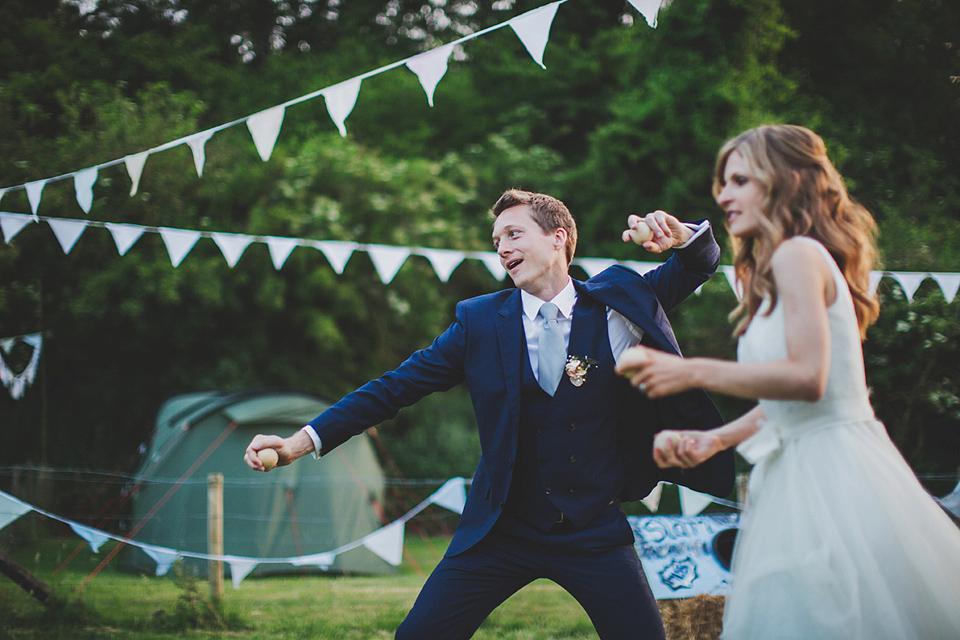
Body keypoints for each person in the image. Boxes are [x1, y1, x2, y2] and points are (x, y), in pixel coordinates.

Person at [245, 188, 734, 640]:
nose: (502, 247)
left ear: (558, 237)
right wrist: (297, 442)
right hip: (503, 528)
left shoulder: (618, 304)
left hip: (593, 526)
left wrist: (683, 235)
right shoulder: (478, 321)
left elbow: (699, 264)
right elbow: (392, 389)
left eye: (514, 234)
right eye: (497, 240)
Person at [616, 124, 960, 639]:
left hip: (836, 472)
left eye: (738, 181)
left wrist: (687, 370)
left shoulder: (799, 254)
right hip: (796, 467)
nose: (723, 194)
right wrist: (715, 439)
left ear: (784, 181)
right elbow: (792, 399)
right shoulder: (778, 265)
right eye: (722, 183)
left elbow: (809, 380)